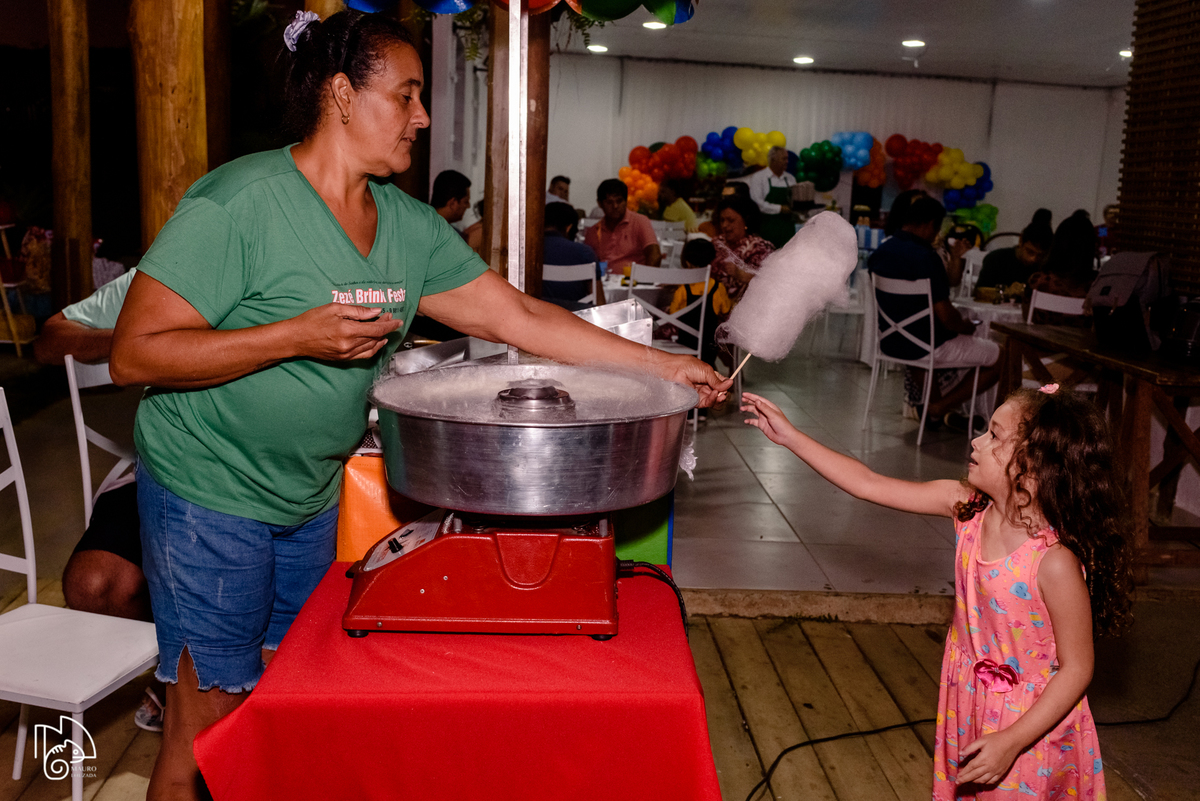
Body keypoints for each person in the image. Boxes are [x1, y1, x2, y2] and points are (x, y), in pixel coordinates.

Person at [108, 11, 729, 800]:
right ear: (341, 95)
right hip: (206, 489)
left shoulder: (405, 227)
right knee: (209, 721)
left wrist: (664, 367)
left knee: (283, 703)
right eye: (405, 96)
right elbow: (135, 354)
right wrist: (295, 335)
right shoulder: (241, 203)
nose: (422, 116)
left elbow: (521, 318)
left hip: (305, 495)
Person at [740, 384, 1131, 800]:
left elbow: (1077, 669)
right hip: (968, 702)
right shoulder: (966, 506)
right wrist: (791, 436)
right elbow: (867, 482)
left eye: (995, 436)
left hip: (1032, 724)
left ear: (1033, 468)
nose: (977, 441)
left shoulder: (1053, 561)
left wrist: (1013, 740)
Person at [33, 268, 166, 732]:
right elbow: (50, 339)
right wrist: (139, 339)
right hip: (169, 461)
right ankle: (172, 673)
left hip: (279, 471)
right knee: (94, 584)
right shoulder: (169, 268)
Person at [867, 196, 1000, 427]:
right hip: (926, 346)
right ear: (930, 225)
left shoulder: (880, 252)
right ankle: (941, 406)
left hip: (892, 342)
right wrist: (967, 327)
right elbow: (948, 319)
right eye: (937, 228)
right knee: (1001, 356)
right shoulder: (926, 257)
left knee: (918, 351)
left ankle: (937, 413)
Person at [664, 238, 730, 371]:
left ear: (687, 263)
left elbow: (673, 313)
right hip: (709, 346)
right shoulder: (717, 287)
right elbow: (726, 308)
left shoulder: (683, 289)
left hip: (686, 345)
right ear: (711, 261)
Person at [583, 178, 661, 273]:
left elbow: (655, 255)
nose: (615, 206)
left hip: (634, 283)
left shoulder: (640, 221)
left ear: (626, 201)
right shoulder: (594, 231)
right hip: (605, 284)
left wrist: (643, 281)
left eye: (619, 201)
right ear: (600, 204)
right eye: (609, 202)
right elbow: (585, 264)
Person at [711, 195, 774, 302]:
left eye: (730, 220)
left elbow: (769, 283)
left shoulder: (760, 248)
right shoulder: (716, 243)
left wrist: (741, 274)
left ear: (746, 221)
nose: (725, 225)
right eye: (722, 220)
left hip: (745, 310)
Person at [542, 201, 602, 310]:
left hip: (536, 319)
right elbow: (600, 304)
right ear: (569, 227)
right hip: (575, 319)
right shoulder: (585, 253)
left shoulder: (530, 251)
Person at [975, 209, 1053, 291]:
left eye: (1040, 255)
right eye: (1030, 252)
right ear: (1021, 241)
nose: (1033, 259)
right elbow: (980, 292)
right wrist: (1008, 293)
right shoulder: (996, 259)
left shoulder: (1044, 268)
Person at [746, 146, 797, 249]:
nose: (787, 162)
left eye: (787, 158)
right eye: (784, 158)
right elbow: (757, 203)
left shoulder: (790, 179)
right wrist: (780, 208)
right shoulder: (759, 178)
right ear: (773, 160)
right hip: (767, 228)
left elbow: (795, 201)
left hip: (788, 229)